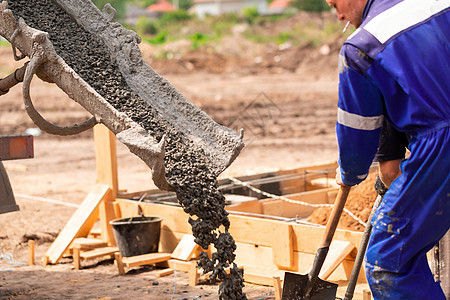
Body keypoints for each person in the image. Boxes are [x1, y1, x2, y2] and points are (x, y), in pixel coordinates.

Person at [327, 0, 450, 298]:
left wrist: (350, 172)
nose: (339, 15)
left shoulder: (362, 46)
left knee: (390, 260)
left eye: (335, 4)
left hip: (443, 145)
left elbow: (359, 128)